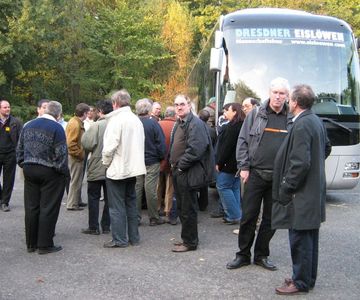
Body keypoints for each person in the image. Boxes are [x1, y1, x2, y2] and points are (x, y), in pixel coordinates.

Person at [226, 77, 292, 271]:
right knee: (248, 217)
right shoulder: (256, 114)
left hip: (279, 178)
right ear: (269, 93)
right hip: (255, 174)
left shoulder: (291, 118)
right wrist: (244, 167)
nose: (278, 97)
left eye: (282, 93)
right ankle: (243, 255)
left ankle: (261, 255)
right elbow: (243, 141)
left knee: (271, 220)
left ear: (287, 96)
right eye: (275, 92)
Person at [272, 85, 331, 295]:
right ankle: (306, 279)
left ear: (295, 102)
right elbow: (326, 148)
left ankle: (300, 282)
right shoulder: (315, 120)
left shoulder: (302, 124)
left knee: (300, 239)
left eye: (289, 99)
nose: (287, 102)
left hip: (302, 193)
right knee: (309, 238)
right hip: (311, 191)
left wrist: (287, 187)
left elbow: (300, 163)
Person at [16, 101, 68, 254]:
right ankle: (44, 244)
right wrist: (62, 171)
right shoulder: (57, 128)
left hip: (29, 169)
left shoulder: (28, 125)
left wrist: (23, 163)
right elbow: (61, 153)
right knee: (48, 207)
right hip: (49, 171)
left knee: (31, 207)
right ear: (58, 114)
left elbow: (19, 149)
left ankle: (31, 243)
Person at [169, 94, 214, 252]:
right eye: (176, 104)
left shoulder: (195, 123)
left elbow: (196, 149)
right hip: (179, 171)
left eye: (182, 104)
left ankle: (190, 243)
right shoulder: (180, 122)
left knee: (188, 208)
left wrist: (181, 166)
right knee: (182, 207)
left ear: (189, 105)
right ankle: (186, 239)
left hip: (187, 172)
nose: (179, 107)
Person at [102, 89, 146, 248]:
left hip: (118, 169)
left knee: (116, 206)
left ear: (115, 103)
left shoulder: (116, 120)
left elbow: (109, 147)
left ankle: (119, 239)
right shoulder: (136, 120)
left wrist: (105, 163)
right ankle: (134, 237)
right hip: (134, 169)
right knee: (131, 203)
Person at [81, 100, 113, 235]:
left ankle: (93, 227)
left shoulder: (96, 126)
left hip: (96, 165)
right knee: (109, 198)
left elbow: (87, 144)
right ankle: (106, 225)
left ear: (100, 111)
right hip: (112, 166)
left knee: (93, 197)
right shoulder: (116, 124)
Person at [135, 98, 166, 226]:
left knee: (136, 189)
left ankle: (135, 217)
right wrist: (161, 157)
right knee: (151, 190)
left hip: (136, 161)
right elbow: (161, 143)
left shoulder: (134, 123)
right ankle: (153, 217)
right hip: (152, 161)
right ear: (149, 109)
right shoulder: (153, 124)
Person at [216, 103, 245, 225]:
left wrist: (219, 162)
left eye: (227, 110)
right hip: (238, 163)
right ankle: (236, 213)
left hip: (229, 164)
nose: (224, 113)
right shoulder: (242, 125)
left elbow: (226, 148)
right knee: (234, 187)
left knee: (223, 186)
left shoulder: (232, 127)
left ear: (235, 112)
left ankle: (234, 215)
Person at [65, 103, 90, 210]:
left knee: (78, 180)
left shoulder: (75, 122)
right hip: (75, 157)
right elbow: (70, 143)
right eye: (87, 112)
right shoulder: (75, 124)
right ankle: (72, 204)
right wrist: (80, 154)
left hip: (76, 156)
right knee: (75, 180)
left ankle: (77, 201)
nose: (88, 114)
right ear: (84, 113)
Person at [0, 99, 23, 212]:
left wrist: (18, 152)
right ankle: (1, 197)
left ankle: (5, 202)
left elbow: (21, 138)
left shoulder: (16, 122)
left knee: (8, 180)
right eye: (5, 107)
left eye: (8, 107)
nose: (7, 109)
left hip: (10, 154)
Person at [157, 106, 177, 225]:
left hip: (158, 159)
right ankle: (168, 209)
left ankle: (156, 206)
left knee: (158, 185)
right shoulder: (177, 126)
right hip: (171, 159)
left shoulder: (158, 124)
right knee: (170, 186)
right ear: (174, 115)